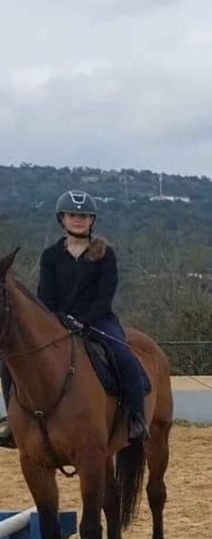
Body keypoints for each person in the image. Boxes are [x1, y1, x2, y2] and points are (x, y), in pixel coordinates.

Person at [0, 191, 150, 449]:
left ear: (91, 220)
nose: (78, 220)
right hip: (57, 323)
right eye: (73, 215)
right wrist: (56, 320)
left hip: (98, 320)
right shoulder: (50, 256)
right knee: (9, 362)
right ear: (63, 219)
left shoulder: (105, 254)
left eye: (83, 216)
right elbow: (45, 297)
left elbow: (105, 296)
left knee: (125, 356)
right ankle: (14, 423)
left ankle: (136, 418)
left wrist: (84, 321)